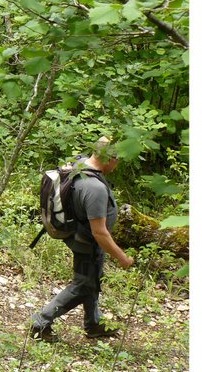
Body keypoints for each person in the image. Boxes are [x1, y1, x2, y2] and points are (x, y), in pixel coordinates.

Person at [29, 139, 133, 341]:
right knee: (82, 285)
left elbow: (102, 141)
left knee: (92, 280)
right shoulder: (94, 188)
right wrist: (122, 258)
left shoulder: (81, 164)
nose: (117, 165)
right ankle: (40, 323)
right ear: (109, 159)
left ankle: (93, 324)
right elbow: (100, 232)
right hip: (87, 243)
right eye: (117, 160)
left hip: (79, 236)